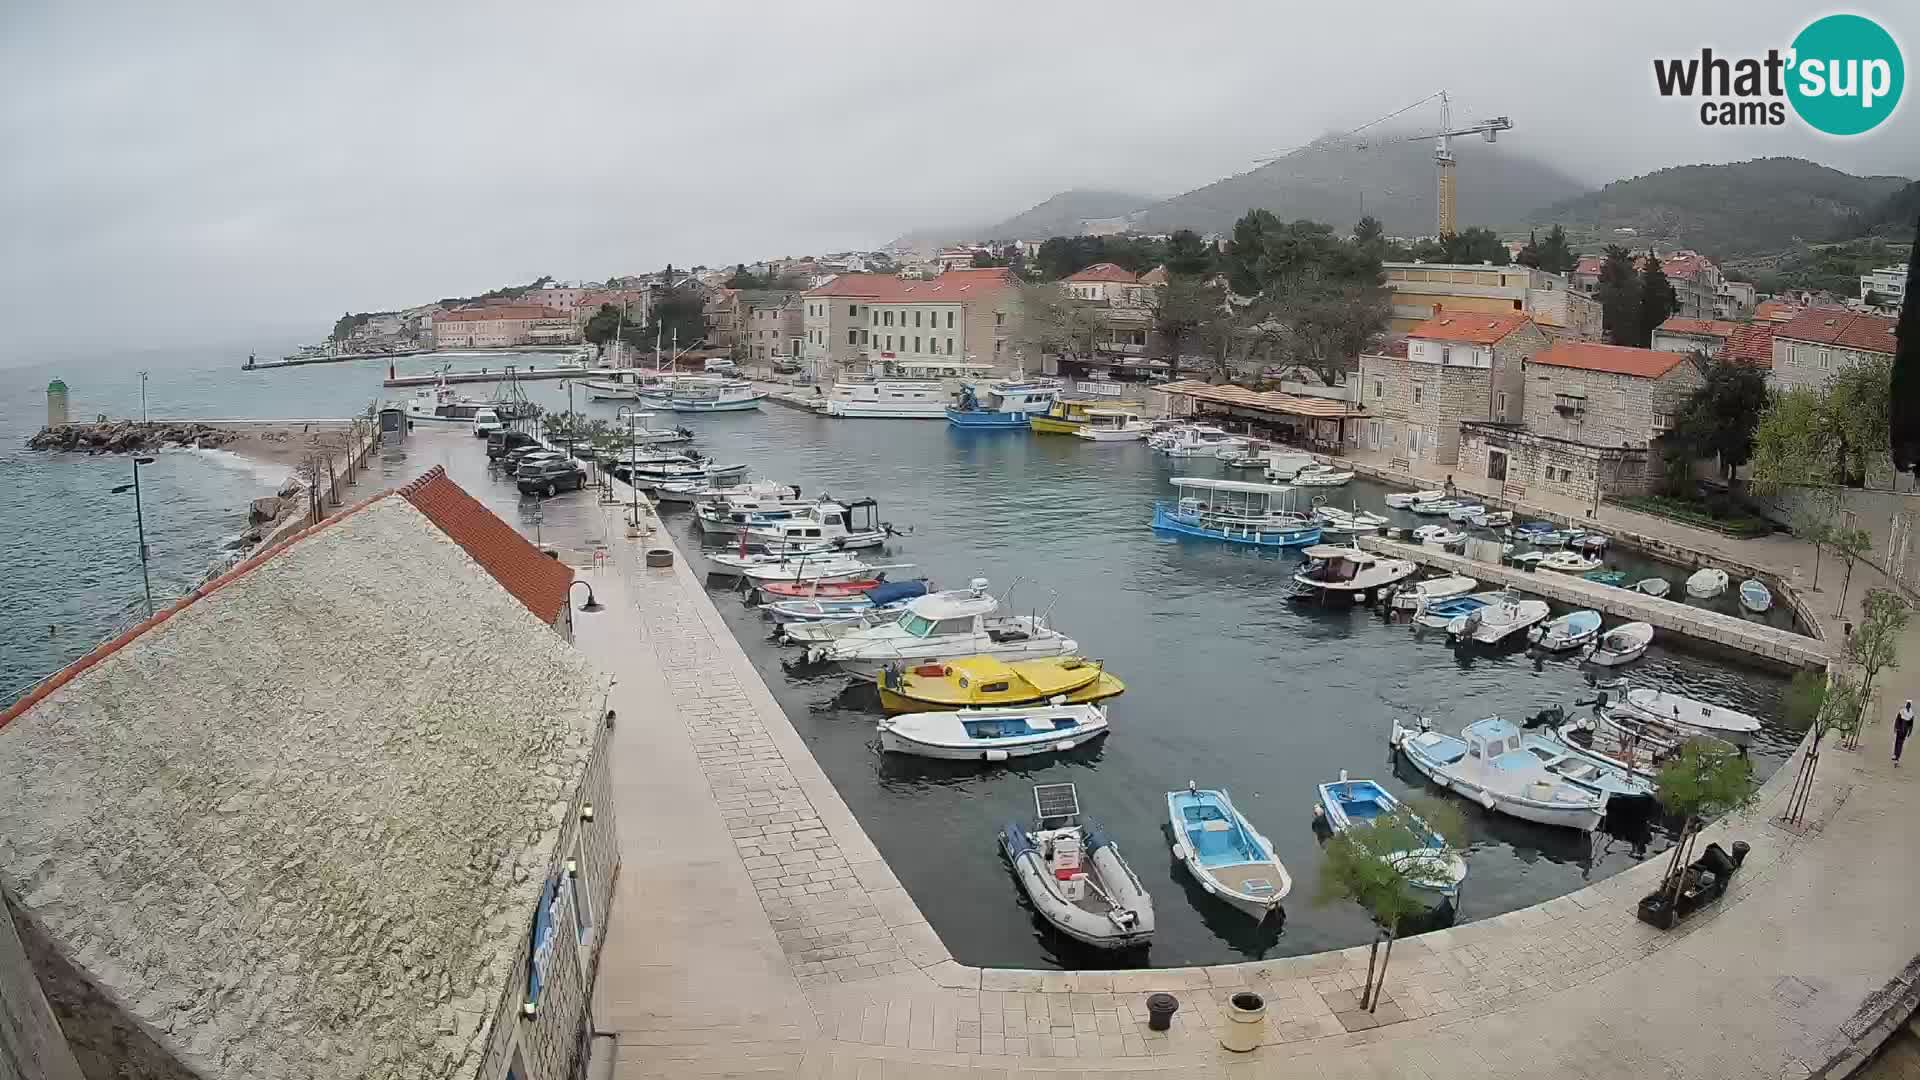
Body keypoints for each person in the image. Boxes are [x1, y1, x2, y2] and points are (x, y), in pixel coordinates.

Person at [1895, 700, 1914, 766]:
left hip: (1904, 731)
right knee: (1898, 742)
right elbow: (1898, 719)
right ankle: (1896, 755)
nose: (1908, 706)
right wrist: (1896, 727)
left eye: (1909, 705)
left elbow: (1911, 724)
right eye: (1907, 704)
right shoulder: (1902, 711)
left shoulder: (1911, 713)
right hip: (1900, 729)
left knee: (1900, 743)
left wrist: (1909, 732)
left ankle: (1897, 757)